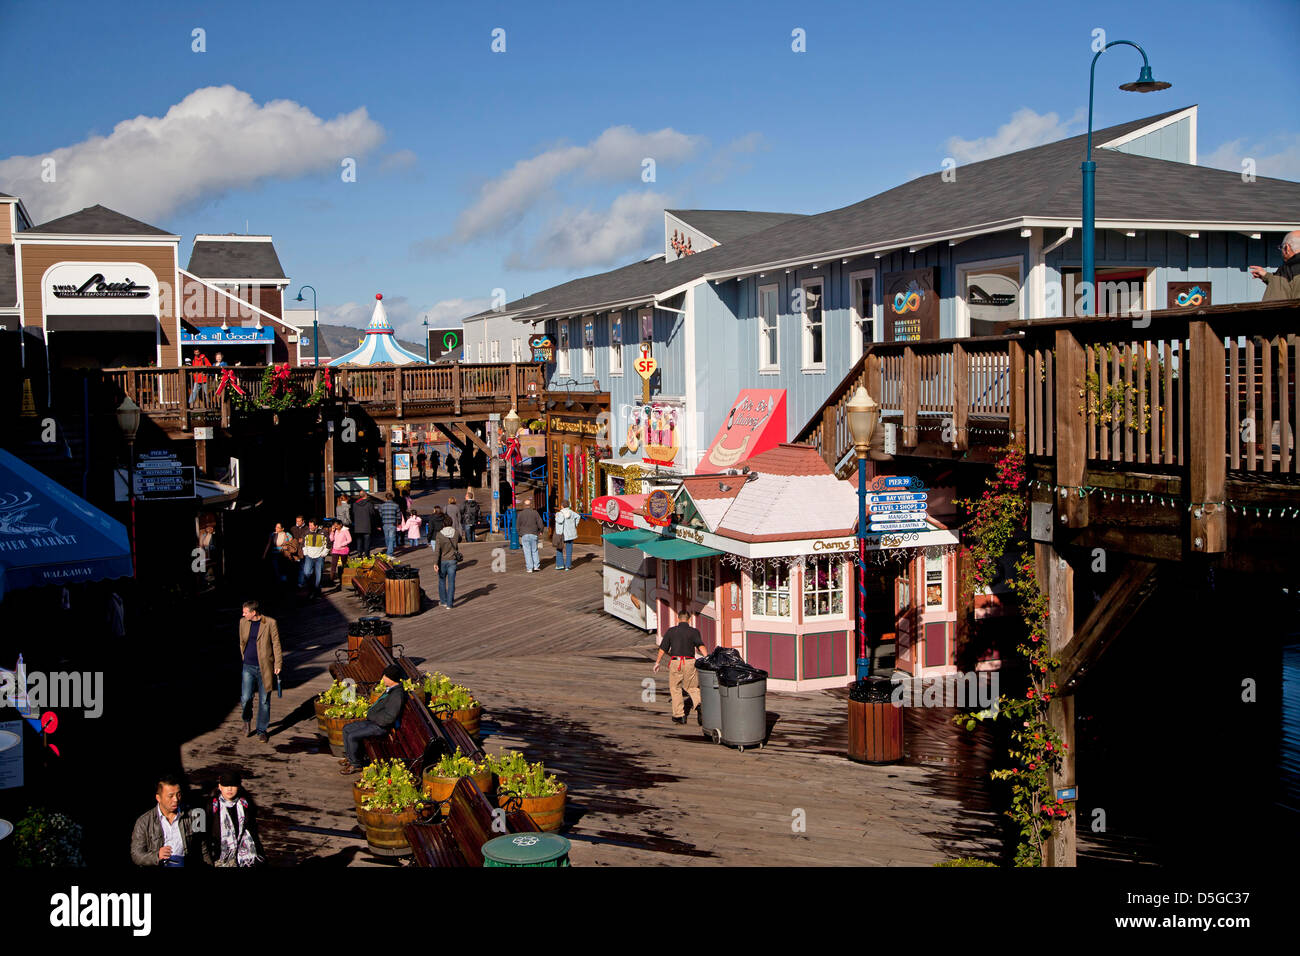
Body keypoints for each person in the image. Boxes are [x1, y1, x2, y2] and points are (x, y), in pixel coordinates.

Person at [339, 664, 408, 774]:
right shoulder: (391, 689)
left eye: (385, 676)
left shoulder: (397, 695)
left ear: (392, 678)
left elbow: (389, 718)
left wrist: (373, 717)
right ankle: (351, 757)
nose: (383, 679)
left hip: (381, 727)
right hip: (373, 722)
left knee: (353, 736)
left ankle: (356, 765)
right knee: (347, 728)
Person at [131, 773, 212, 866]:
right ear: (158, 798)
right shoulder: (144, 822)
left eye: (178, 794)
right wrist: (156, 856)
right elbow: (136, 855)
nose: (176, 799)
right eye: (171, 796)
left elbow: (203, 848)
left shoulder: (193, 816)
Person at [653, 608, 707, 724]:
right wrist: (707, 657)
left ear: (678, 618)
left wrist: (657, 662)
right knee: (692, 687)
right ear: (689, 619)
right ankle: (699, 704)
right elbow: (700, 645)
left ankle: (679, 716)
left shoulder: (671, 631)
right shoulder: (694, 631)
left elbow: (663, 648)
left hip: (676, 662)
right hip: (689, 662)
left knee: (675, 688)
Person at [239, 600, 282, 742]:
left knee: (264, 700)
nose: (243, 614)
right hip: (248, 666)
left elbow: (276, 644)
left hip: (265, 667)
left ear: (254, 613)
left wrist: (278, 663)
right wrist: (244, 657)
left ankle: (262, 730)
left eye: (246, 612)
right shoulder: (243, 622)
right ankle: (246, 721)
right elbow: (242, 641)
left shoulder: (270, 623)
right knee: (246, 698)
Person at [208, 770, 264, 867]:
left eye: (233, 785)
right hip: (218, 856)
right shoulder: (212, 805)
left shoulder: (244, 804)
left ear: (238, 786)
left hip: (242, 857)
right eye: (226, 785)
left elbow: (252, 831)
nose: (229, 789)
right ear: (220, 787)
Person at [1249, 230, 1300, 301]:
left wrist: (1277, 279)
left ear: (1287, 248)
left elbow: (1273, 305)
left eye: (1281, 247)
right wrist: (1268, 276)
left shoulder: (1286, 271)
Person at [431, 521, 461, 609]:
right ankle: (449, 604)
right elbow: (459, 539)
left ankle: (443, 601)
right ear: (451, 523)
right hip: (452, 560)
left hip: (442, 561)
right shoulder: (456, 532)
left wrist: (435, 563)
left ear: (443, 524)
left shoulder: (439, 534)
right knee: (451, 582)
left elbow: (437, 550)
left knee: (442, 580)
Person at [299, 519, 330, 596]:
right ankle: (311, 588)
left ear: (316, 526)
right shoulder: (306, 532)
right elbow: (303, 544)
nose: (309, 527)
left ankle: (316, 591)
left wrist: (323, 553)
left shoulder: (323, 532)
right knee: (306, 573)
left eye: (311, 525)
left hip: (319, 557)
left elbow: (329, 544)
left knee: (318, 575)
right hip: (309, 556)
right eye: (309, 525)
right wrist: (306, 553)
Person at [516, 498, 544, 573]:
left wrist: (520, 533)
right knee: (534, 550)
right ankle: (536, 566)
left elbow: (517, 525)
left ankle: (529, 568)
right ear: (531, 505)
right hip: (534, 533)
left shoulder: (520, 514)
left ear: (524, 506)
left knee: (527, 551)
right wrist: (541, 530)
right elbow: (540, 522)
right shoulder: (535, 513)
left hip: (524, 535)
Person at [262, 521, 292, 585]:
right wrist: (264, 554)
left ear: (282, 528)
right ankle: (278, 583)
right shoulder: (273, 534)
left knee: (283, 569)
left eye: (278, 527)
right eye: (276, 527)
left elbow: (291, 544)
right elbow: (269, 544)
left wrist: (287, 548)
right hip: (275, 554)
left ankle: (284, 583)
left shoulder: (287, 534)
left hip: (283, 554)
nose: (276, 528)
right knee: (276, 569)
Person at [554, 499, 580, 571]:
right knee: (569, 550)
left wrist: (556, 517)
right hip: (571, 534)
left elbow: (560, 521)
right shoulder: (571, 512)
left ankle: (560, 565)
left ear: (562, 506)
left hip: (562, 534)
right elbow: (578, 516)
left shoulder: (559, 513)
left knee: (559, 549)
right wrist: (575, 524)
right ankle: (568, 566)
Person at [328, 519, 352, 588]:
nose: (336, 527)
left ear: (340, 525)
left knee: (344, 565)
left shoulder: (345, 530)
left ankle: (344, 580)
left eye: (337, 526)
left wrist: (343, 544)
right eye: (334, 526)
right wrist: (332, 532)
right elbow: (331, 539)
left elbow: (349, 539)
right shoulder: (334, 531)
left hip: (343, 550)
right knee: (333, 565)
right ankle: (331, 580)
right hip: (335, 549)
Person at [378, 492, 400, 556]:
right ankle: (389, 553)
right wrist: (399, 522)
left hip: (385, 523)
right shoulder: (396, 505)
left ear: (386, 498)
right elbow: (399, 515)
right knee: (391, 538)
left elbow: (380, 515)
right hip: (392, 523)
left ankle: (389, 551)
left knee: (387, 538)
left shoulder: (382, 506)